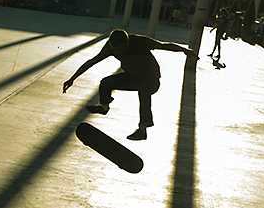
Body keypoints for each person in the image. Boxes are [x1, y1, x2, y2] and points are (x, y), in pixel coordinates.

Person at [62, 28, 198, 141]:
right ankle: (104, 107)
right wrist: (72, 78)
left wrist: (183, 50)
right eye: (115, 51)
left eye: (120, 50)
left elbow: (163, 45)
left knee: (144, 90)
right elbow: (92, 61)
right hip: (132, 78)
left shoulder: (140, 42)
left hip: (151, 80)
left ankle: (142, 130)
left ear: (127, 44)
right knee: (106, 82)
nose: (117, 53)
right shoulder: (110, 47)